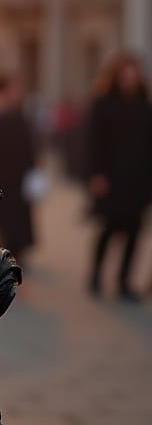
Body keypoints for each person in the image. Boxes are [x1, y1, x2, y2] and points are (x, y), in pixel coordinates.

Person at [84, 51, 152, 301]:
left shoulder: (145, 106)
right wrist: (96, 175)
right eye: (126, 73)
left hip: (139, 180)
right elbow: (94, 143)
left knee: (135, 232)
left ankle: (124, 281)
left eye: (134, 74)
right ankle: (95, 275)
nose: (130, 78)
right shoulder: (104, 104)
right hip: (111, 178)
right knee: (108, 229)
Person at [0, 72, 36, 267]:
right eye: (13, 88)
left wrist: (32, 168)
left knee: (18, 214)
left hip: (17, 175)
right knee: (3, 216)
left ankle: (17, 251)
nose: (17, 92)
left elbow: (27, 145)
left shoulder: (18, 113)